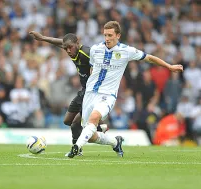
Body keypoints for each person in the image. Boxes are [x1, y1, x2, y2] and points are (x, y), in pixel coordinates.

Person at [68, 21, 183, 158]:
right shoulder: (95, 49)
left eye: (110, 35)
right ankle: (115, 142)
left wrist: (169, 66)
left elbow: (150, 58)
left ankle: (76, 148)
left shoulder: (127, 51)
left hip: (107, 96)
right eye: (105, 35)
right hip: (90, 94)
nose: (107, 38)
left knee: (95, 117)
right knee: (91, 135)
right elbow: (92, 69)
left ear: (118, 35)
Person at [29, 31, 108, 156]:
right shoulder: (72, 49)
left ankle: (79, 147)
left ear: (77, 43)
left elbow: (103, 61)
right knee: (68, 121)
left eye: (70, 47)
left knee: (78, 124)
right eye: (65, 48)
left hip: (92, 93)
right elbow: (60, 42)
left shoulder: (86, 53)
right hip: (83, 91)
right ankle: (99, 127)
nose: (68, 51)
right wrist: (43, 38)